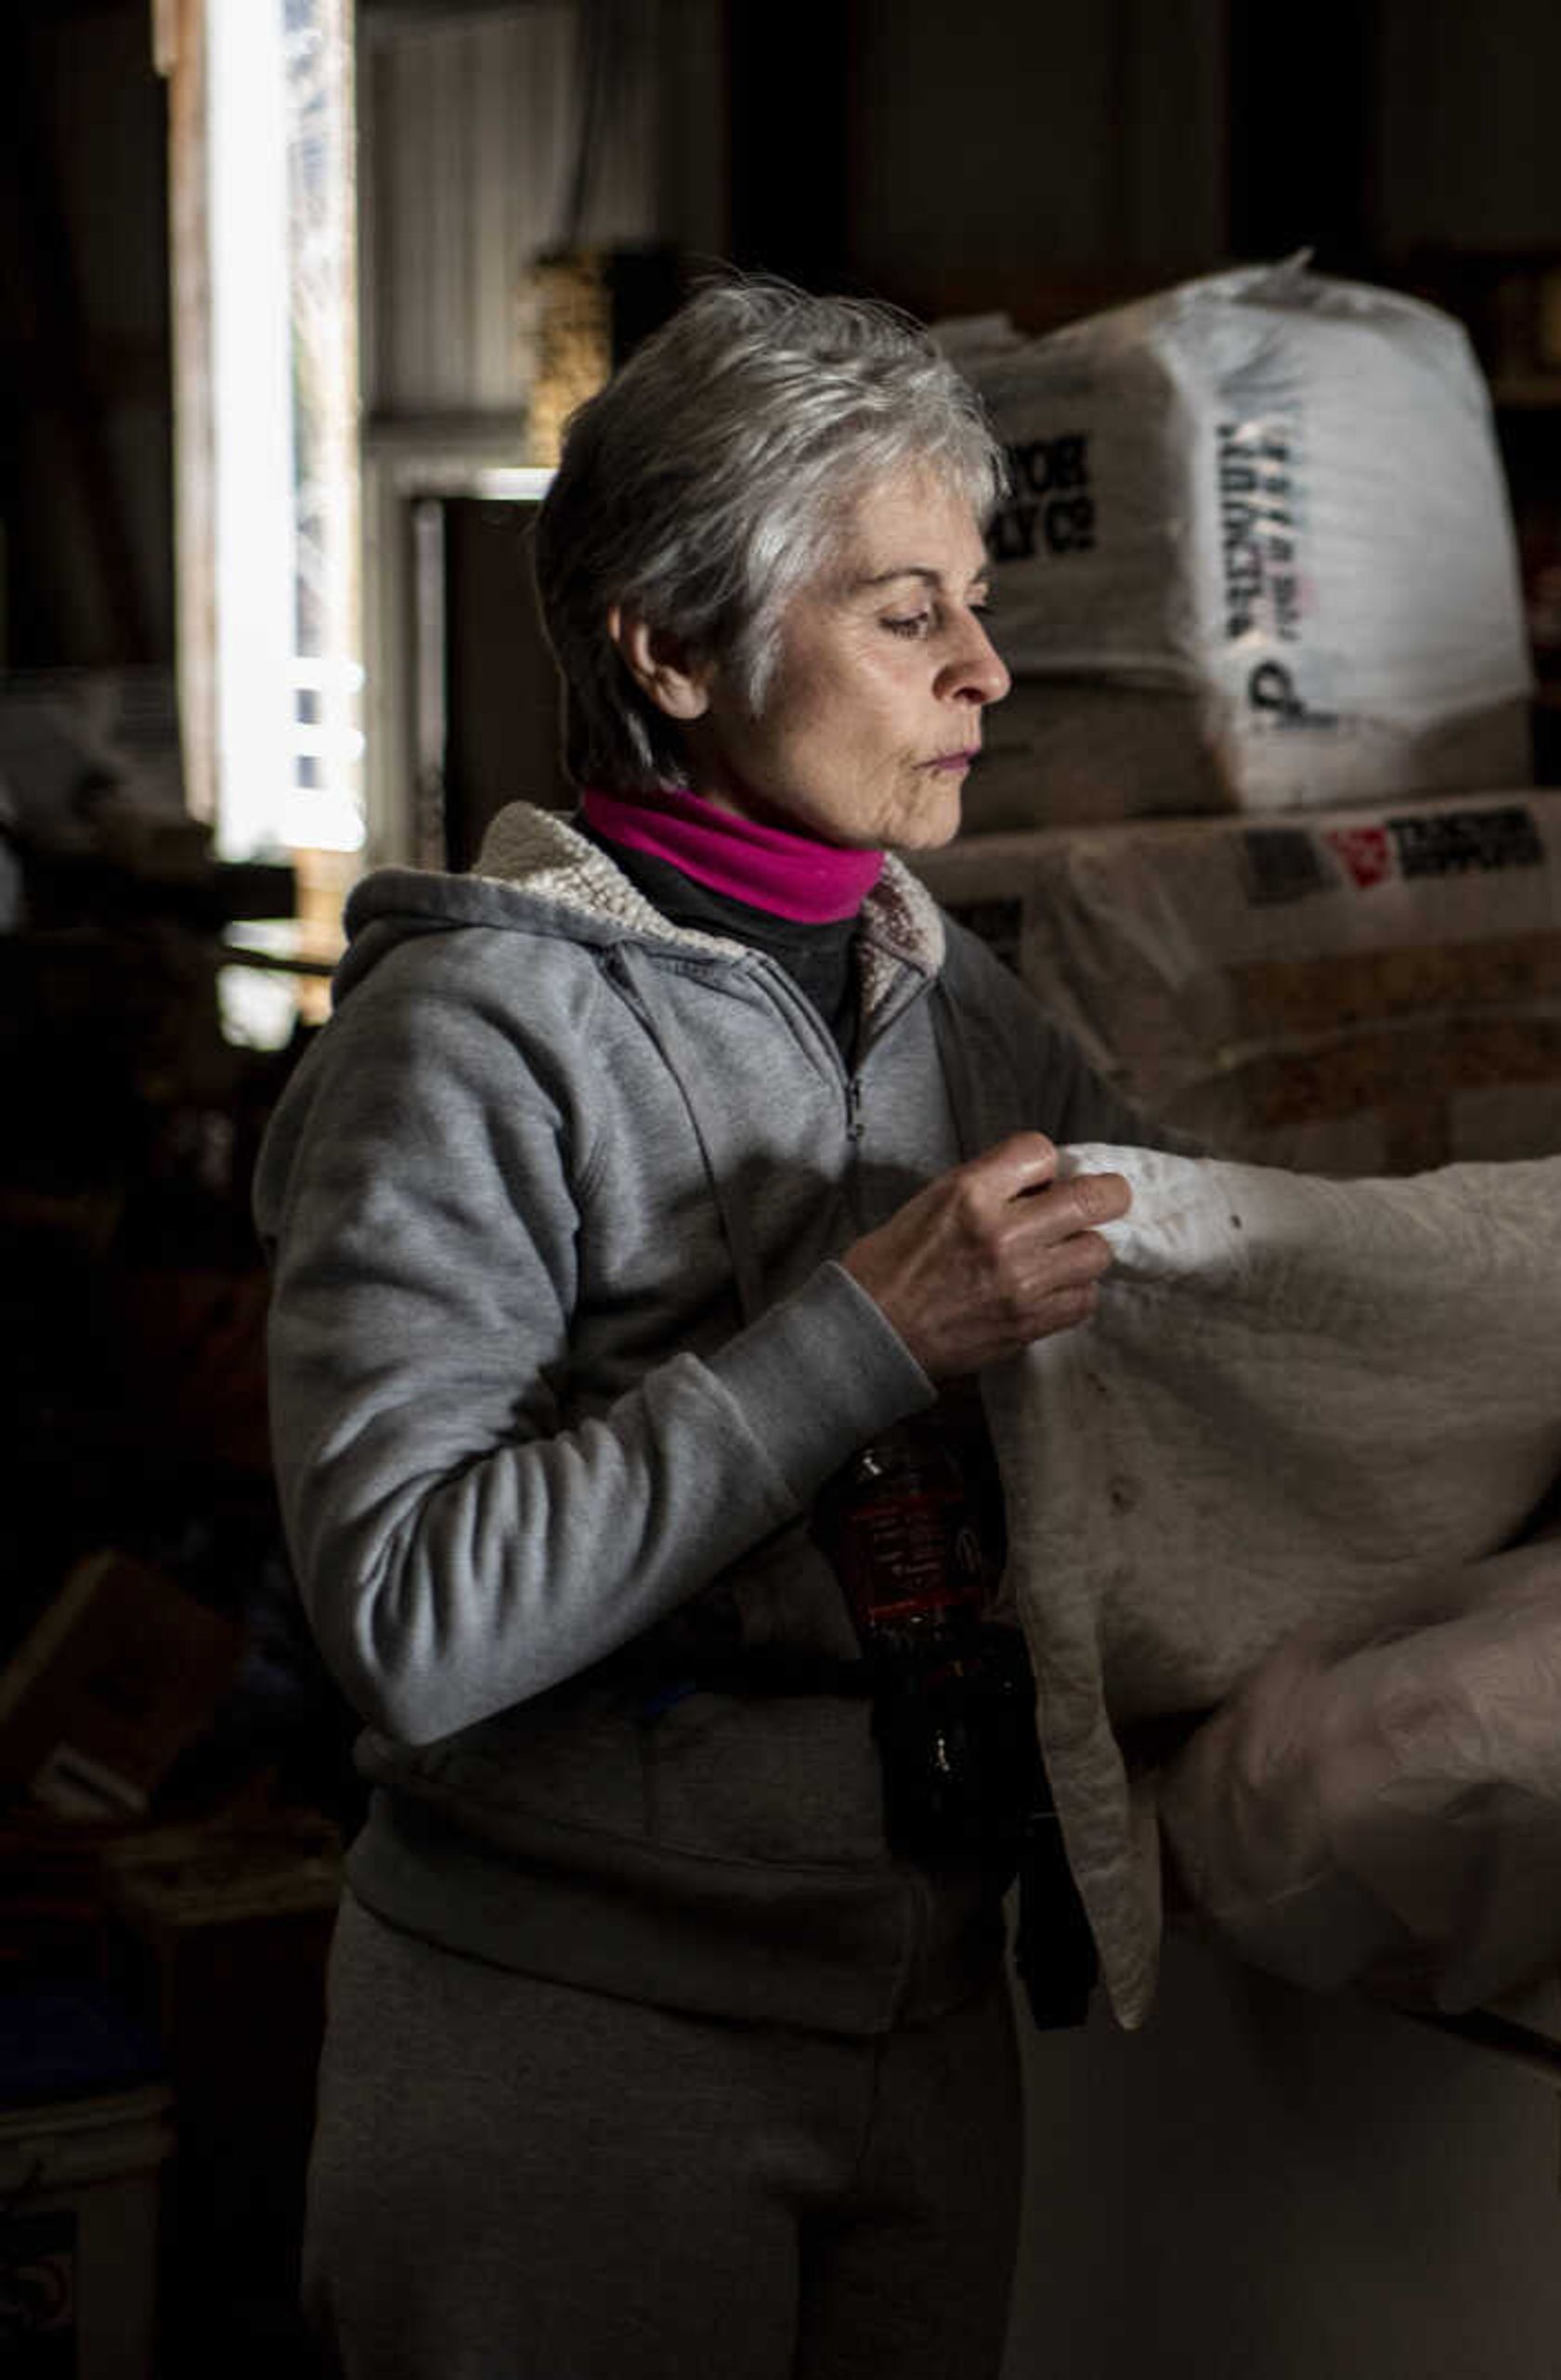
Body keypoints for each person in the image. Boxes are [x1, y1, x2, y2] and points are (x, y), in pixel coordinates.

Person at [255, 276, 1164, 2379]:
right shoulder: (475, 1038)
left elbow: (1205, 1299)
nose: (986, 671)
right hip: (574, 2051)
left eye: (976, 600)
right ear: (672, 648)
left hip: (919, 2021)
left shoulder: (967, 1002)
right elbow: (407, 1606)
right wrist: (861, 1332)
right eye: (904, 612)